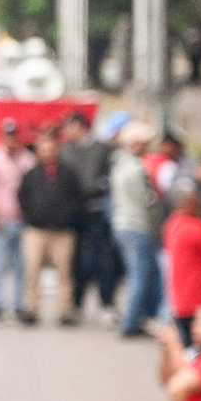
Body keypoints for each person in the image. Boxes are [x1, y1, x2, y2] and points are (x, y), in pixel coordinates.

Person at [16, 127, 81, 327]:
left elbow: (77, 199)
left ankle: (65, 310)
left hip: (62, 232)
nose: (48, 153)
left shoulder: (68, 174)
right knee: (32, 272)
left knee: (64, 273)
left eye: (51, 149)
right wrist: (32, 215)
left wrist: (67, 217)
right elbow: (23, 198)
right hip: (36, 230)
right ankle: (31, 308)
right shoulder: (31, 175)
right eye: (44, 150)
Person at [58, 112, 117, 324]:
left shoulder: (102, 148)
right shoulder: (66, 151)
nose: (68, 131)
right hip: (75, 211)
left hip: (98, 210)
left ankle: (106, 303)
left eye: (70, 127)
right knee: (78, 261)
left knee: (104, 260)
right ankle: (77, 303)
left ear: (80, 126)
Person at [110, 121, 164, 339]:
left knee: (136, 274)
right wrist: (158, 224)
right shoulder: (137, 169)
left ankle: (136, 317)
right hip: (139, 226)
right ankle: (131, 321)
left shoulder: (118, 166)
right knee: (139, 276)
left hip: (122, 224)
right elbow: (147, 202)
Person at [0, 119, 34, 323]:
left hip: (22, 219)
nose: (11, 140)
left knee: (21, 266)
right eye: (8, 136)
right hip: (2, 219)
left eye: (14, 136)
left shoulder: (28, 160)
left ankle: (18, 304)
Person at [162, 183, 201, 343]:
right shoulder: (196, 227)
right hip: (199, 298)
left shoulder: (172, 224)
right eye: (196, 201)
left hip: (180, 299)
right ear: (188, 204)